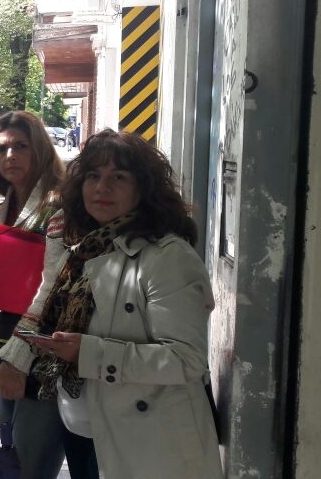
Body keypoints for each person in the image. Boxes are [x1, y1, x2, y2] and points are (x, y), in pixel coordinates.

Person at [14, 129, 222, 478]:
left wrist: (89, 354)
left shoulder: (167, 257)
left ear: (144, 188)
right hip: (82, 427)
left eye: (119, 177)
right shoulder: (84, 249)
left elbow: (186, 360)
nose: (102, 187)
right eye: (93, 176)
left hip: (144, 441)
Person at [0, 111, 97, 479]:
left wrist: (17, 361)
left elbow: (53, 289)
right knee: (10, 459)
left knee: (30, 468)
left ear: (40, 149)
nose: (10, 156)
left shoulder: (59, 206)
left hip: (40, 358)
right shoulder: (1, 208)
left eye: (21, 146)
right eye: (1, 148)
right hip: (0, 352)